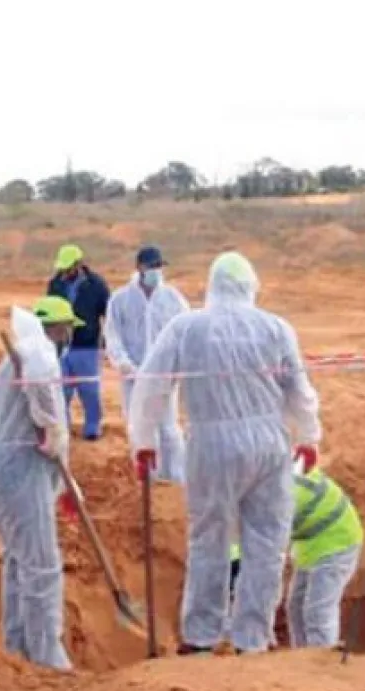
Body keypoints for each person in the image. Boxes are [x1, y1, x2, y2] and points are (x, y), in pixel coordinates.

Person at [130, 251, 322, 656]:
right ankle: (251, 639)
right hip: (269, 442)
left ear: (211, 286)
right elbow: (299, 390)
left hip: (211, 443)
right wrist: (309, 435)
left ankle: (201, 636)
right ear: (251, 287)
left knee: (209, 539)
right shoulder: (275, 327)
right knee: (267, 542)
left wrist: (144, 442)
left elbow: (151, 385)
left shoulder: (187, 327)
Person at [0, 297, 80, 670]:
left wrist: (68, 486)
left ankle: (19, 647)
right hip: (17, 467)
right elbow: (47, 407)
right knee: (41, 564)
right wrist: (51, 425)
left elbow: (53, 426)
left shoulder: (27, 354)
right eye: (68, 327)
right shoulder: (36, 353)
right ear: (56, 327)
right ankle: (47, 656)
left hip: (11, 467)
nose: (70, 335)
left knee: (20, 561)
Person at [225, 462, 363, 649]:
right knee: (296, 608)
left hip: (338, 541)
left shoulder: (283, 492)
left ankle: (323, 661)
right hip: (309, 544)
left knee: (318, 610)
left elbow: (267, 551)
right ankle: (303, 661)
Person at [105, 245, 189, 483]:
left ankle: (175, 479)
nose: (156, 271)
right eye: (152, 266)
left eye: (159, 266)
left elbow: (184, 332)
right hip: (134, 378)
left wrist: (175, 367)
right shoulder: (120, 299)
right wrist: (125, 365)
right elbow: (113, 335)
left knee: (169, 429)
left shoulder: (173, 298)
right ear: (140, 267)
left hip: (165, 377)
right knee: (140, 428)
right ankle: (147, 480)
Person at [47, 245, 111, 440]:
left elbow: (108, 312)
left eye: (68, 268)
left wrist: (106, 340)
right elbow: (49, 312)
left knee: (89, 390)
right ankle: (62, 428)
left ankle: (92, 427)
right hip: (60, 345)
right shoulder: (55, 284)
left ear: (78, 264)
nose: (64, 272)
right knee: (61, 390)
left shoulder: (96, 284)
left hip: (87, 344)